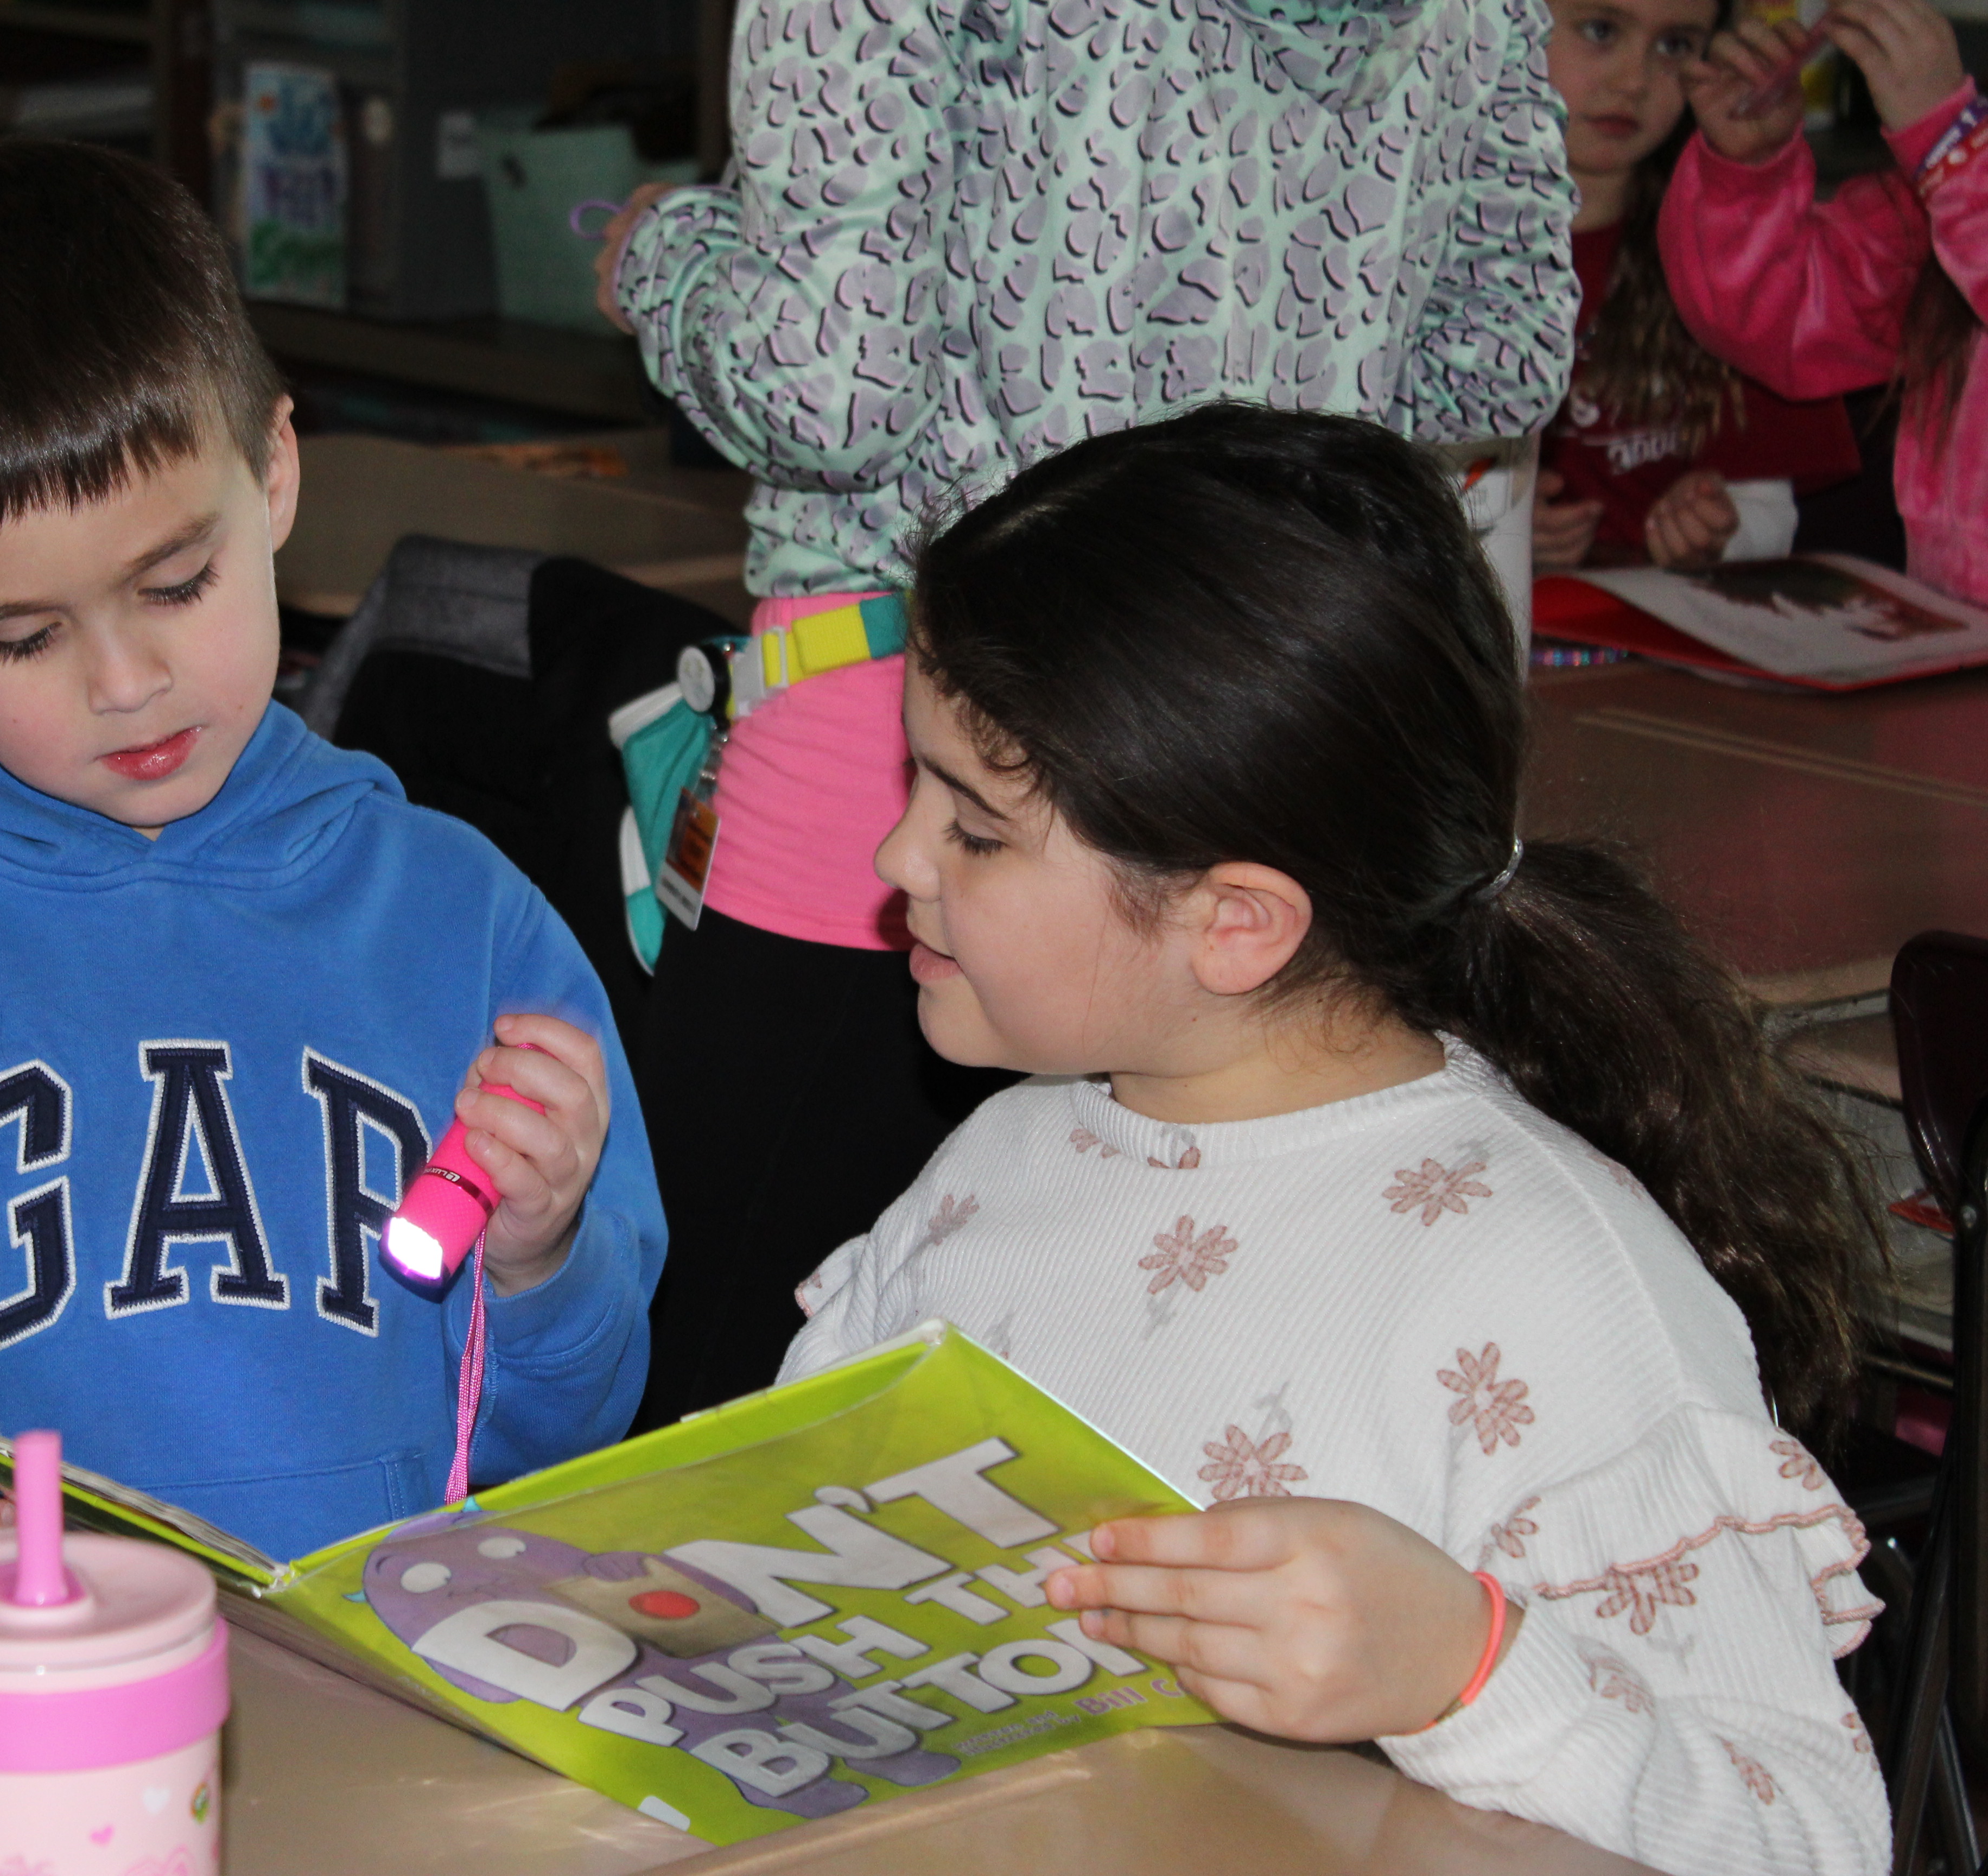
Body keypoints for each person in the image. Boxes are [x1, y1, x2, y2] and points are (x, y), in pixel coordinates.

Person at [782, 405, 1888, 1876]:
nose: (896, 859)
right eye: (916, 785)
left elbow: (1811, 1835)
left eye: (974, 828)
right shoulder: (996, 1173)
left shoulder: (1549, 1288)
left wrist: (1468, 1668)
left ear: (1235, 923)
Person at [0, 143, 666, 1569]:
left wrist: (543, 1263)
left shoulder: (467, 926)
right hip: (17, 1714)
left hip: (381, 1704)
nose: (125, 683)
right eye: (22, 636)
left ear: (277, 473)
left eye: (176, 584)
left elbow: (578, 1435)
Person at [594, 0, 1582, 1428]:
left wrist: (664, 261)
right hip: (1243, 748)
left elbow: (832, 383)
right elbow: (1500, 355)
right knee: (1127, 1442)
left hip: (921, 744)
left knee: (712, 1443)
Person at [1660, 0, 1985, 601]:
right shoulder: (1946, 193)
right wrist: (1749, 166)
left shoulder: (1964, 169)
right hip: (1954, 657)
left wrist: (1953, 146)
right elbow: (1781, 321)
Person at [1533, 0, 1864, 571]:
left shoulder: (1733, 257)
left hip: (1658, 632)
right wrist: (1478, 530)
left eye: (1675, 46)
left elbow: (1770, 510)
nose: (1633, 81)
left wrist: (1716, 532)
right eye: (1601, 31)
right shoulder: (1411, 246)